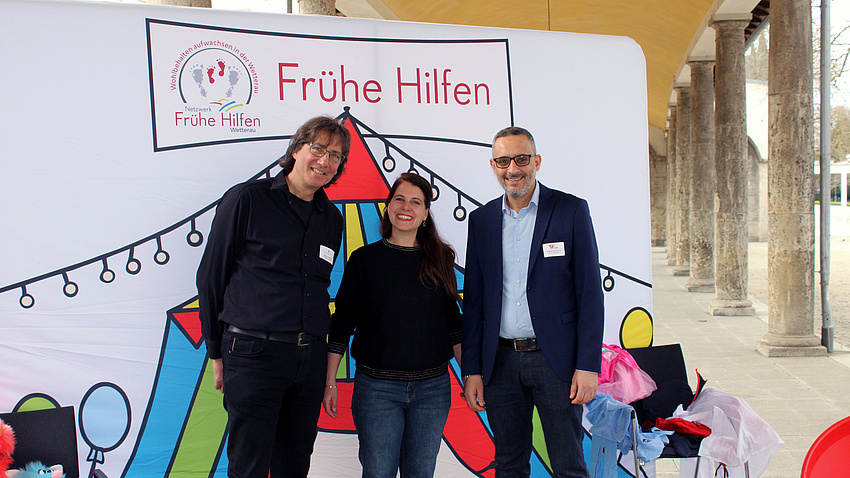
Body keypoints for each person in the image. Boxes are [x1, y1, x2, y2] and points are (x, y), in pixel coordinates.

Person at [196, 115, 351, 478]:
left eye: (335, 156)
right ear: (297, 149)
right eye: (318, 149)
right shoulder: (247, 199)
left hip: (309, 357)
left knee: (294, 464)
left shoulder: (331, 218)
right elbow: (211, 277)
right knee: (249, 465)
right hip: (253, 354)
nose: (325, 161)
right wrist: (216, 351)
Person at [461, 126, 604, 478]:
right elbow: (476, 301)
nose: (513, 169)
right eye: (503, 160)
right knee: (509, 465)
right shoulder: (481, 222)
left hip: (557, 363)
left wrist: (589, 365)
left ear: (536, 162)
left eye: (522, 159)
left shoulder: (570, 211)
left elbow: (589, 293)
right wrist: (472, 369)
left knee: (568, 464)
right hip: (501, 364)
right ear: (493, 166)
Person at [322, 172, 463, 478]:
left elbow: (455, 327)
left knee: (421, 472)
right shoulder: (363, 260)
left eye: (416, 202)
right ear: (388, 206)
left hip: (432, 391)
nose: (406, 207)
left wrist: (471, 378)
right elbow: (342, 323)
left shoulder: (441, 260)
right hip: (377, 390)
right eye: (399, 198)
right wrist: (329, 380)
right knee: (378, 472)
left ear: (425, 214)